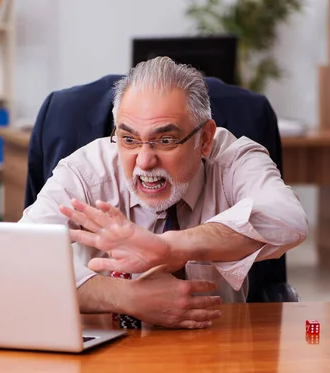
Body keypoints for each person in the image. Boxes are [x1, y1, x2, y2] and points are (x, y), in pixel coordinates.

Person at [19, 56, 308, 329]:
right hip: (104, 366)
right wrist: (127, 297)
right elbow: (21, 258)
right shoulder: (86, 171)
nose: (144, 161)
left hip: (215, 352)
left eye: (165, 140)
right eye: (129, 139)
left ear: (205, 139)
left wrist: (174, 247)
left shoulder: (233, 159)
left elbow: (288, 218)